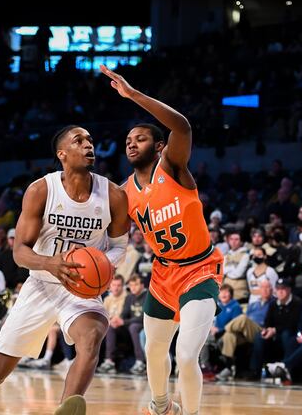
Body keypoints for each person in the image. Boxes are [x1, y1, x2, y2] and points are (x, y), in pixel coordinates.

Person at [0, 125, 130, 415]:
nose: (88, 145)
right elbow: (19, 251)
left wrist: (102, 264)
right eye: (78, 141)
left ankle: (67, 409)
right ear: (62, 154)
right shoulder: (41, 190)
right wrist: (51, 264)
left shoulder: (114, 195)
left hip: (80, 289)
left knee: (93, 335)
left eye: (90, 141)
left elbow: (120, 246)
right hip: (41, 285)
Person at [102, 65, 224, 415]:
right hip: (163, 274)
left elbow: (182, 126)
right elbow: (111, 235)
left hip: (199, 269)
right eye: (127, 141)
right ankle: (160, 407)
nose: (131, 143)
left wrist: (133, 94)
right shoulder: (124, 194)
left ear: (158, 146)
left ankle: (193, 413)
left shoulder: (171, 166)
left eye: (139, 138)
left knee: (186, 353)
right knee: (154, 348)